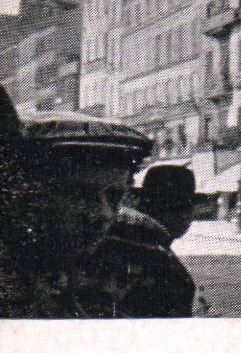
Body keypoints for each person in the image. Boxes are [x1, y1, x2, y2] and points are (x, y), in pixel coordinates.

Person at [1, 82, 191, 318]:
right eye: (79, 194)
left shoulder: (143, 262)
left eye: (114, 196)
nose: (102, 214)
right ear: (26, 194)